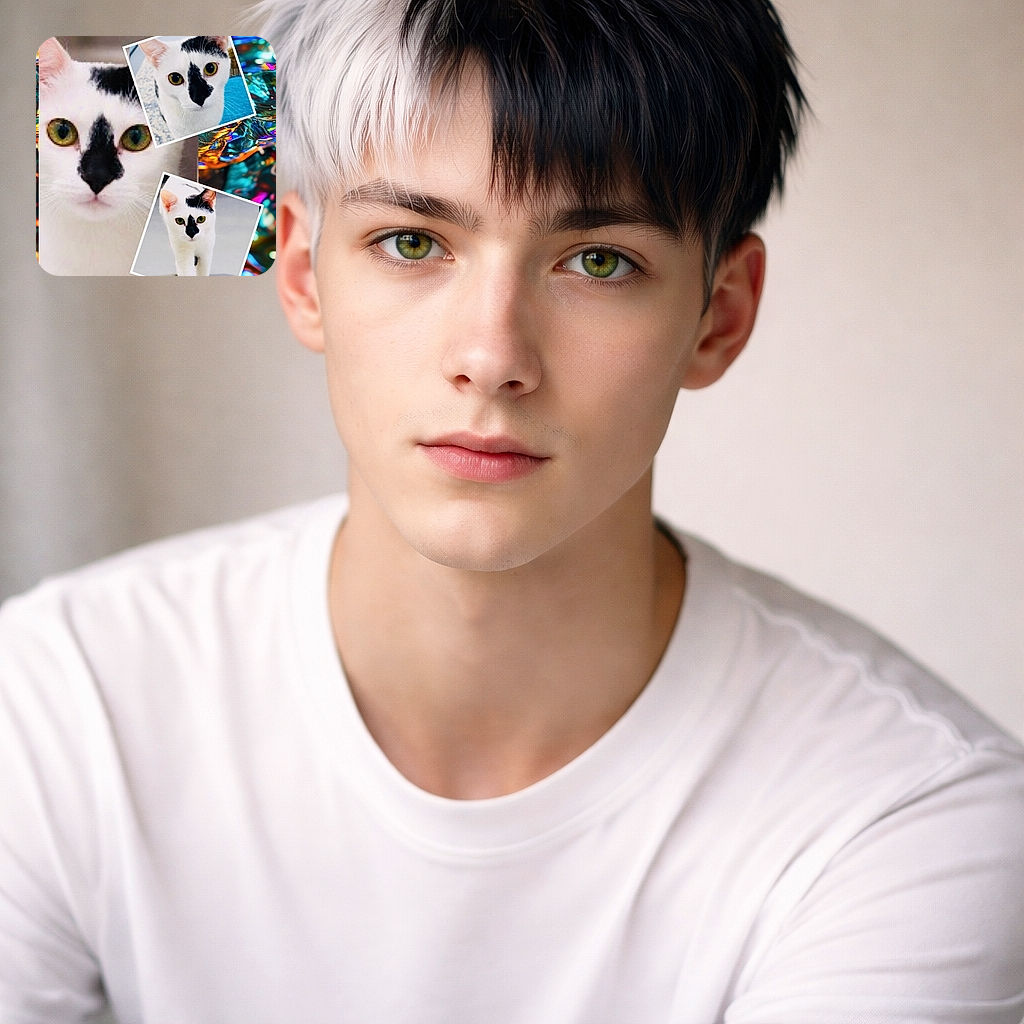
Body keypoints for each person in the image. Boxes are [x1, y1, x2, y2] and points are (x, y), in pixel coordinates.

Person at [3, 0, 1023, 1020]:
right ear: (306, 273)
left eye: (597, 262)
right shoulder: (58, 707)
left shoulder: (909, 817)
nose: (491, 356)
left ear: (719, 317)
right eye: (411, 242)